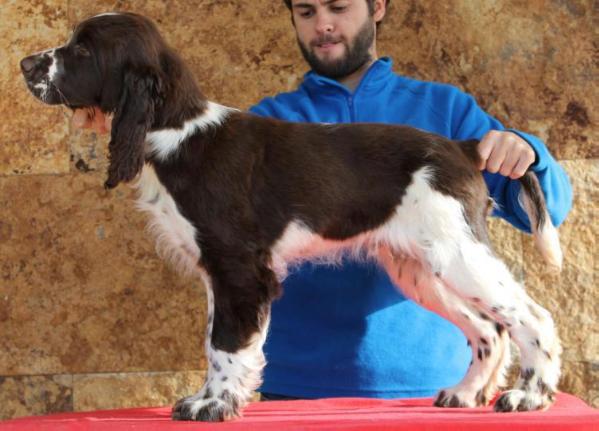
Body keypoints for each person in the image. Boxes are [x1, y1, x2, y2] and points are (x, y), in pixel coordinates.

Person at [72, 0, 572, 402]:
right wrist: (124, 120)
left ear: (378, 6)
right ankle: (487, 352)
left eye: (337, 8)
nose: (324, 25)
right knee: (429, 270)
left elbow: (549, 205)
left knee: (458, 265)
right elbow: (235, 261)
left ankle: (538, 353)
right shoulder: (265, 122)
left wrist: (530, 155)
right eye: (306, 11)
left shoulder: (445, 110)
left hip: (419, 385)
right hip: (297, 391)